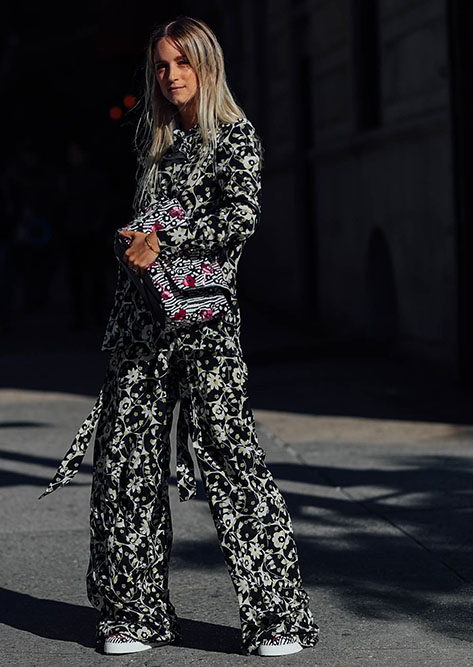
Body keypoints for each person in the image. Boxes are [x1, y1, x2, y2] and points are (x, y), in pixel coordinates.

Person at [40, 16, 319, 657]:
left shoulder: (235, 136)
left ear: (206, 64)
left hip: (205, 325)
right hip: (140, 325)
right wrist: (133, 240)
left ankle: (278, 617)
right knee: (126, 467)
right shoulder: (155, 143)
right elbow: (150, 221)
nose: (171, 76)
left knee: (232, 462)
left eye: (182, 63)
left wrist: (164, 242)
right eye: (162, 66)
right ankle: (135, 613)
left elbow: (238, 220)